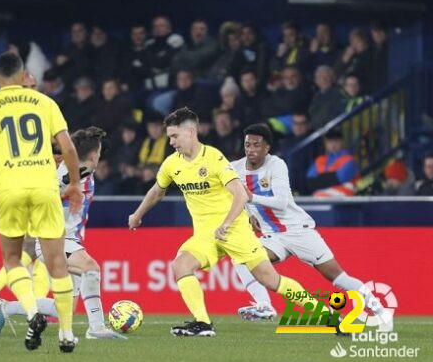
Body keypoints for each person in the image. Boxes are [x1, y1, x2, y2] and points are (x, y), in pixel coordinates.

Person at [128, 107, 323, 337]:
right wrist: (138, 214)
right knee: (180, 265)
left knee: (270, 280)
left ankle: (329, 316)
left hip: (234, 230)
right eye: (169, 136)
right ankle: (202, 323)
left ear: (191, 131)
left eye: (174, 136)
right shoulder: (172, 164)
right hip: (205, 235)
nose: (171, 142)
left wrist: (226, 224)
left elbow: (240, 194)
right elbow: (157, 190)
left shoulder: (214, 159)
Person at [230, 123, 393, 332]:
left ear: (267, 148)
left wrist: (251, 197)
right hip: (273, 236)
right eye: (247, 145)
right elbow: (231, 196)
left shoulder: (276, 165)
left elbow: (281, 202)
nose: (251, 149)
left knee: (338, 278)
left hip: (299, 230)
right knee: (242, 257)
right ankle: (265, 305)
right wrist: (248, 214)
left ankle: (380, 310)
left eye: (256, 145)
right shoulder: (234, 168)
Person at [0, 52, 83, 352]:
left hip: (8, 187)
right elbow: (68, 147)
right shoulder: (45, 102)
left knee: (12, 259)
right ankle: (67, 334)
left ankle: (32, 312)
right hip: (45, 187)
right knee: (57, 264)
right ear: (23, 76)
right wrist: (74, 184)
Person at [0, 127, 125, 340]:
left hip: (70, 240)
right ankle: (96, 328)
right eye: (98, 151)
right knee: (92, 269)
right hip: (55, 240)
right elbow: (46, 192)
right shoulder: (67, 173)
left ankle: (6, 308)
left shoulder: (78, 170)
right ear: (92, 155)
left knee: (66, 309)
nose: (100, 155)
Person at [307, 130, 359, 197]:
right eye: (330, 142)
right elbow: (310, 182)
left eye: (336, 141)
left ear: (342, 142)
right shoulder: (320, 160)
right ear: (326, 143)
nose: (333, 145)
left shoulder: (349, 160)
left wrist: (320, 178)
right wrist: (331, 177)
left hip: (344, 201)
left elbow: (338, 179)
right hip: (323, 197)